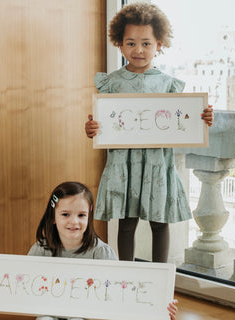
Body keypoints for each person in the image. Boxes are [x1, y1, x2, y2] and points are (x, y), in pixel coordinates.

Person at [85, 3, 214, 263]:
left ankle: (160, 280)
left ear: (159, 45)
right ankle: (127, 277)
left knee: (159, 221)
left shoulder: (168, 84)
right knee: (127, 222)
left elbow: (185, 120)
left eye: (146, 43)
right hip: (124, 163)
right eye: (131, 43)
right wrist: (92, 128)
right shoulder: (112, 83)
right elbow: (103, 123)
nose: (138, 50)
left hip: (157, 162)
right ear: (120, 44)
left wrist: (204, 118)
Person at [0, 181, 179, 320]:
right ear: (53, 217)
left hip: (86, 315)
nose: (74, 222)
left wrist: (161, 307)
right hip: (47, 311)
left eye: (81, 215)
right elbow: (18, 287)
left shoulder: (102, 253)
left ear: (89, 216)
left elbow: (122, 292)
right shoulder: (41, 249)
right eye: (65, 214)